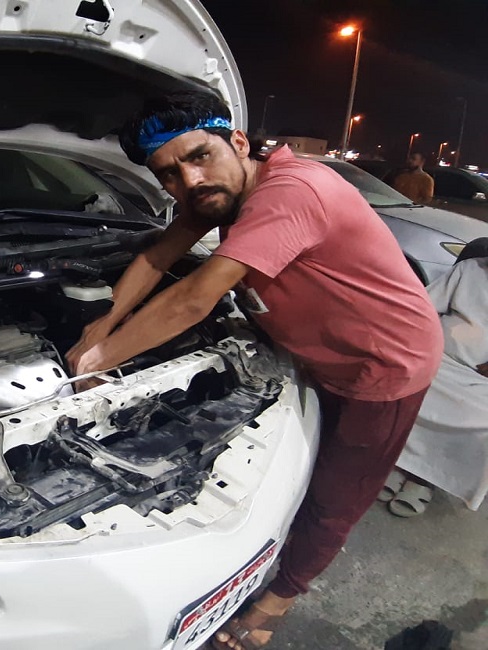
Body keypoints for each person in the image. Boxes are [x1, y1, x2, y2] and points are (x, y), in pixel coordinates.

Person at [65, 92, 443, 649]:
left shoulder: (292, 192)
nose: (190, 181)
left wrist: (102, 360)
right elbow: (156, 256)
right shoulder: (216, 193)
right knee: (310, 462)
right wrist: (99, 327)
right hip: (317, 350)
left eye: (199, 156)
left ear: (239, 142)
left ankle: (277, 599)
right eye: (168, 174)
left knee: (337, 496)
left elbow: (193, 299)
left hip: (383, 364)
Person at [382, 238, 488, 516]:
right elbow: (425, 307)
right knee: (405, 377)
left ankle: (425, 478)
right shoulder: (470, 269)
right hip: (436, 356)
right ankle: (397, 463)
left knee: (483, 420)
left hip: (478, 379)